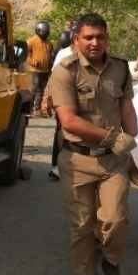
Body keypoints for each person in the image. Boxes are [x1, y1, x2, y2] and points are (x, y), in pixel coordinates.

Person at [49, 13, 138, 275]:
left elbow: (126, 108)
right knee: (82, 226)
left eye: (100, 36)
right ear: (77, 40)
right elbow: (69, 121)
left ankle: (111, 262)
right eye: (88, 37)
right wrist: (114, 138)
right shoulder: (65, 71)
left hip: (113, 161)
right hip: (77, 159)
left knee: (114, 220)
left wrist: (134, 139)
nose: (95, 42)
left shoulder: (121, 69)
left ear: (107, 38)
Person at [43, 20, 80, 182]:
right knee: (61, 131)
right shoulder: (63, 53)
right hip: (64, 98)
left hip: (85, 101)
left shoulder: (95, 53)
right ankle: (57, 166)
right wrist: (47, 97)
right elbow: (53, 77)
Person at [27, 20, 54, 117]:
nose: (46, 33)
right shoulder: (31, 41)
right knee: (34, 90)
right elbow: (26, 55)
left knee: (41, 90)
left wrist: (51, 68)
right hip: (34, 70)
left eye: (47, 31)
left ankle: (37, 110)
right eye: (44, 31)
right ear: (38, 31)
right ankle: (29, 109)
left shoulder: (49, 43)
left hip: (45, 70)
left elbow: (50, 56)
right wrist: (32, 61)